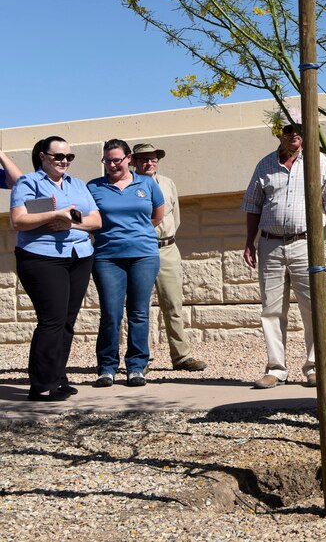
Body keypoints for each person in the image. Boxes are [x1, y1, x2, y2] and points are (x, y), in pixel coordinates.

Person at [242, 108, 326, 389]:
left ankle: (314, 366)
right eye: (288, 128)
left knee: (313, 307)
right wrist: (249, 242)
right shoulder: (264, 166)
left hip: (305, 244)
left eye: (299, 127)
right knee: (271, 309)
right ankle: (276, 369)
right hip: (270, 245)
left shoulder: (318, 162)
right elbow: (252, 207)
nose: (294, 133)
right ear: (279, 132)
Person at [9, 136, 102, 401]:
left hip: (80, 255)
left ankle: (57, 377)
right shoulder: (29, 183)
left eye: (69, 157)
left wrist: (71, 224)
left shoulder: (78, 185)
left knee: (67, 321)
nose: (64, 161)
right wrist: (55, 214)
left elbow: (96, 220)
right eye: (59, 156)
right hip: (42, 257)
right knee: (52, 320)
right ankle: (40, 386)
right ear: (42, 156)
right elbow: (19, 220)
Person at [87, 139, 165, 388]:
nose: (112, 165)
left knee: (139, 312)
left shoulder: (147, 183)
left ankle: (136, 366)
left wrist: (136, 234)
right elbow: (89, 218)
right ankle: (107, 367)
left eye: (116, 160)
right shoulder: (94, 187)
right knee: (111, 313)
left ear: (128, 158)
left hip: (143, 255)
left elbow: (157, 215)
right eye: (107, 160)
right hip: (107, 257)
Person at [131, 143, 206, 372]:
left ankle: (181, 356)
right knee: (139, 307)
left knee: (173, 303)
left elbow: (176, 218)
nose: (149, 163)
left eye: (153, 158)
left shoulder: (168, 184)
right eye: (143, 159)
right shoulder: (129, 185)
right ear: (133, 161)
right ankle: (139, 360)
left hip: (168, 249)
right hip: (140, 249)